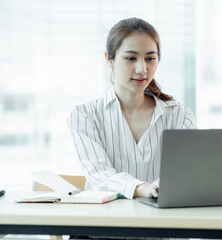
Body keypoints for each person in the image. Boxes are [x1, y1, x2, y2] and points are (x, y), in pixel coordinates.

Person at [67, 17, 197, 201]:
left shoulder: (180, 116)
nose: (142, 69)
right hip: (106, 226)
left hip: (164, 225)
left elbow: (188, 172)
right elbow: (99, 175)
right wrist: (143, 188)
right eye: (131, 58)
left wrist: (169, 184)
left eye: (150, 58)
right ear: (109, 59)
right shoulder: (85, 116)